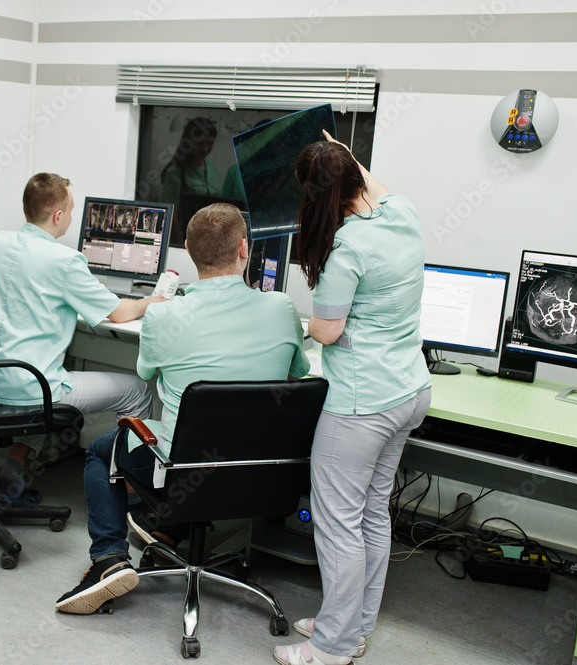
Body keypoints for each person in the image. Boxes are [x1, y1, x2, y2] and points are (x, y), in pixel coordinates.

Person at [55, 202, 310, 614]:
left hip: (185, 474)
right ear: (245, 249)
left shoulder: (163, 316)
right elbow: (297, 371)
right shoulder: (282, 310)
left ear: (188, 251)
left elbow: (147, 371)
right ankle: (167, 531)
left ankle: (108, 559)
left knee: (103, 451)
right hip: (263, 477)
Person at [273, 131, 431, 665]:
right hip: (410, 390)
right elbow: (371, 183)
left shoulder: (348, 249)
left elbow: (328, 331)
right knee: (371, 517)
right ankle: (354, 625)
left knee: (338, 522)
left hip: (362, 404)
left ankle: (333, 646)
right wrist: (341, 153)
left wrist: (309, 325)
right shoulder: (402, 212)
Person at [0, 173, 163, 503]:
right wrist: (151, 301)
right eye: (71, 210)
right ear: (58, 216)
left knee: (47, 380)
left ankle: (15, 463)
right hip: (32, 386)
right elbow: (119, 313)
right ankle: (134, 495)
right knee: (137, 391)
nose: (73, 218)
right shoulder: (64, 261)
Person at [159, 117, 219, 245]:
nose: (206, 149)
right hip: (185, 240)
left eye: (210, 143)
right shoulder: (174, 174)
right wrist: (180, 246)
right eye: (201, 143)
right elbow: (171, 217)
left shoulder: (213, 169)